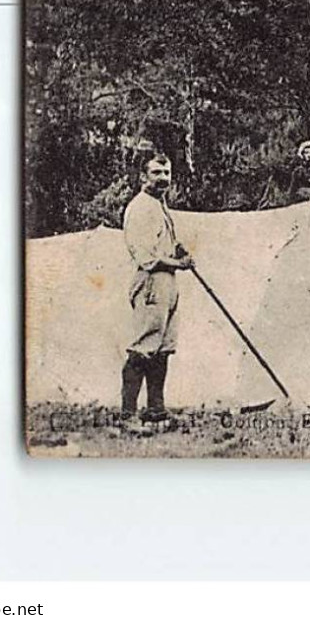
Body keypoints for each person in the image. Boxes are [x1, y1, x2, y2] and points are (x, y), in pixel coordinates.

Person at [120, 153, 195, 429]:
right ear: (143, 177)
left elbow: (162, 244)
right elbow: (145, 255)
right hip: (152, 281)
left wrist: (178, 249)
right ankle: (128, 416)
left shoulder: (159, 205)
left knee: (163, 347)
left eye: (167, 173)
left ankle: (155, 410)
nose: (163, 179)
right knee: (144, 346)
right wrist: (178, 263)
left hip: (169, 281)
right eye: (156, 173)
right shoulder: (140, 207)